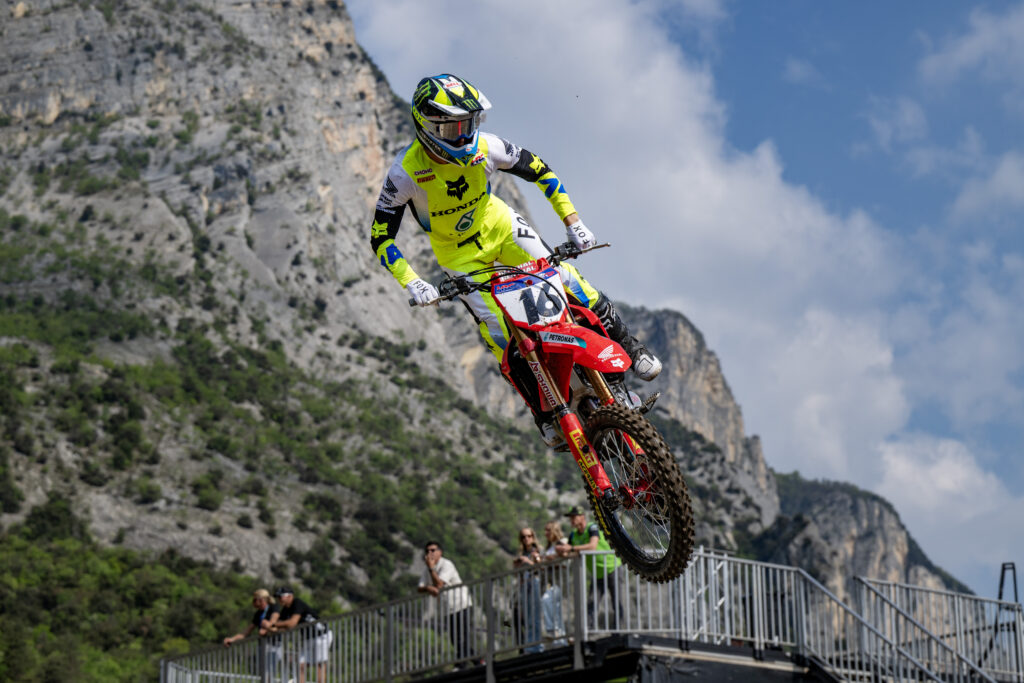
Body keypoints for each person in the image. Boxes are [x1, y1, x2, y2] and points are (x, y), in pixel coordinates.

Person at [370, 73, 662, 447]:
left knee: (568, 280)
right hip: (459, 256)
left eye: (469, 124)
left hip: (503, 228)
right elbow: (381, 236)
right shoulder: (405, 172)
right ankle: (545, 414)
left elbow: (539, 170)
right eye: (454, 128)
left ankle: (632, 349)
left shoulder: (486, 146)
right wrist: (411, 280)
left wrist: (573, 222)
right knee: (499, 332)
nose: (464, 135)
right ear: (428, 126)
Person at [557, 505, 622, 628]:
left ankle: (619, 631)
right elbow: (570, 552)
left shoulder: (592, 527)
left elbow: (592, 546)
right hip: (597, 573)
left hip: (612, 567)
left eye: (574, 517)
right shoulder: (573, 535)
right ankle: (590, 631)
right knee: (592, 602)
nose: (571, 520)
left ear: (582, 517)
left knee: (616, 601)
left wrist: (571, 548)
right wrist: (560, 551)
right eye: (570, 517)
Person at [418, 541, 475, 669]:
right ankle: (479, 661)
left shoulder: (446, 564)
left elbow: (439, 584)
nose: (430, 553)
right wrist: (428, 588)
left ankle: (461, 665)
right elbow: (420, 587)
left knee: (462, 637)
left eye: (433, 550)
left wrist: (431, 569)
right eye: (427, 551)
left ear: (440, 552)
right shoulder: (427, 569)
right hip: (446, 608)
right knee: (455, 639)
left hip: (461, 603)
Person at [270, 586, 332, 683]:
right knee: (300, 664)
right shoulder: (285, 610)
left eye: (280, 597)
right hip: (308, 638)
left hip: (321, 636)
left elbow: (292, 623)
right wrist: (271, 627)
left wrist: (273, 625)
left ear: (290, 596)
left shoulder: (297, 603)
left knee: (319, 663)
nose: (279, 599)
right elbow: (280, 626)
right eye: (278, 597)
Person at [222, 588, 282, 673]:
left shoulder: (273, 607)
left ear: (261, 600)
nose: (253, 602)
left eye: (254, 600)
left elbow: (274, 619)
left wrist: (267, 628)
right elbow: (246, 631)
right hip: (263, 645)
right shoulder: (258, 613)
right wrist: (232, 639)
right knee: (263, 672)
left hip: (274, 645)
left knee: (270, 671)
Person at [512, 527, 544, 654]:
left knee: (535, 616)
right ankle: (529, 645)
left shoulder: (537, 551)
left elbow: (541, 567)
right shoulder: (522, 553)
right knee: (527, 617)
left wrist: (528, 561)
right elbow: (517, 574)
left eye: (529, 536)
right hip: (524, 585)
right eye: (523, 537)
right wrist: (517, 566)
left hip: (535, 583)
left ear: (533, 537)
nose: (526, 539)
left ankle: (537, 645)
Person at [539, 521, 569, 647]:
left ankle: (553, 631)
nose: (546, 533)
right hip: (551, 582)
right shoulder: (548, 548)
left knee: (548, 600)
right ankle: (559, 639)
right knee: (555, 608)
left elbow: (564, 557)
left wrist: (549, 559)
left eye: (548, 530)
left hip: (560, 581)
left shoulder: (563, 542)